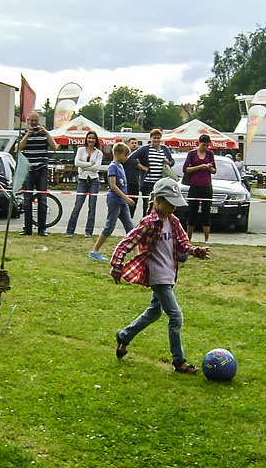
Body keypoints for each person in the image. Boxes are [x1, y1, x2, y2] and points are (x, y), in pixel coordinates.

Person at [110, 177, 209, 374]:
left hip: (169, 273)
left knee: (154, 312)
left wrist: (195, 251)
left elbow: (182, 245)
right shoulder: (148, 223)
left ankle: (124, 336)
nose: (174, 207)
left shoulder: (173, 221)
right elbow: (126, 243)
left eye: (176, 203)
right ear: (158, 201)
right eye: (170, 203)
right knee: (175, 315)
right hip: (157, 275)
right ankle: (179, 361)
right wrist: (116, 266)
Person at [90, 142, 135, 261]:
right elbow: (113, 185)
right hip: (115, 200)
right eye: (125, 155)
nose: (126, 157)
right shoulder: (113, 167)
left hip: (121, 201)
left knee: (130, 226)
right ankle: (94, 251)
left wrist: (124, 198)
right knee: (109, 226)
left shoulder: (120, 166)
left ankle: (137, 253)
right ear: (117, 154)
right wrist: (126, 197)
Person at [18, 112, 57, 235]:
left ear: (39, 121)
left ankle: (42, 229)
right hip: (28, 170)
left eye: (36, 121)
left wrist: (47, 134)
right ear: (29, 121)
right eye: (32, 121)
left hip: (41, 170)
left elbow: (55, 147)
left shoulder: (44, 134)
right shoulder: (24, 133)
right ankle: (27, 228)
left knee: (42, 199)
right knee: (27, 200)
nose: (34, 123)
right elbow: (19, 148)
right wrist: (27, 136)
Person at [64, 131, 103, 237]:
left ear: (96, 140)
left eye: (93, 138)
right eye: (89, 138)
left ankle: (88, 232)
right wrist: (90, 164)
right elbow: (77, 163)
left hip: (94, 181)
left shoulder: (99, 153)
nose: (91, 140)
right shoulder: (80, 150)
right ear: (86, 139)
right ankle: (70, 231)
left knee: (92, 207)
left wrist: (84, 165)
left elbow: (97, 167)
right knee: (77, 206)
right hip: (82, 180)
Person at [130, 128, 173, 218]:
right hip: (147, 182)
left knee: (160, 205)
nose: (156, 140)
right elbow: (131, 158)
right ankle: (146, 224)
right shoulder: (144, 149)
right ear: (150, 138)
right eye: (154, 138)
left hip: (160, 183)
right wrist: (142, 167)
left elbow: (172, 161)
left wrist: (168, 162)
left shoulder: (164, 149)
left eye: (158, 138)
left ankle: (157, 223)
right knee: (147, 205)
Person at [182, 134, 216, 243]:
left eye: (207, 145)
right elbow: (186, 169)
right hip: (194, 186)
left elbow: (215, 170)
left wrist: (209, 168)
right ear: (199, 143)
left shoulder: (210, 154)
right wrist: (200, 167)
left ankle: (206, 239)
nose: (205, 147)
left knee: (206, 212)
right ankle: (189, 238)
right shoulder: (191, 154)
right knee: (192, 212)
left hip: (206, 185)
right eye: (203, 145)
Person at [122, 137, 141, 215]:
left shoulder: (139, 156)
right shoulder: (125, 156)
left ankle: (130, 216)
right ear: (128, 144)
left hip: (136, 181)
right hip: (126, 181)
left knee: (134, 202)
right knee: (127, 201)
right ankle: (127, 217)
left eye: (135, 143)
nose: (134, 145)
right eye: (132, 143)